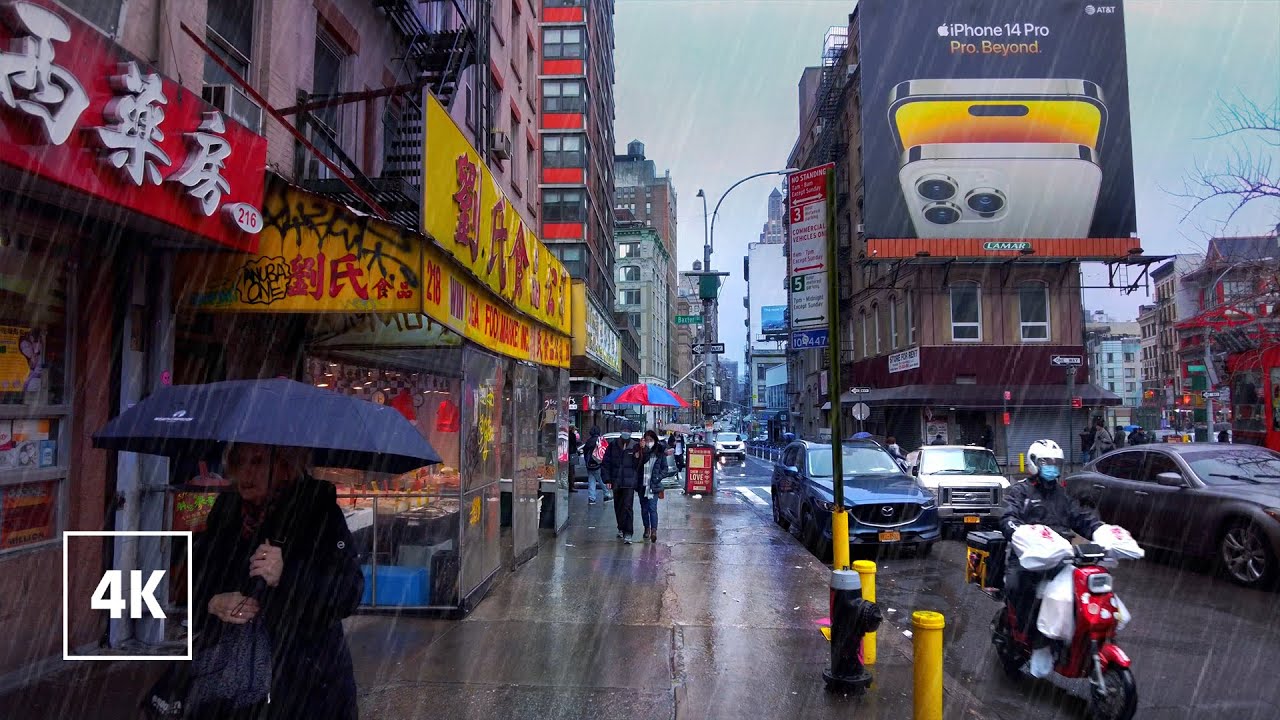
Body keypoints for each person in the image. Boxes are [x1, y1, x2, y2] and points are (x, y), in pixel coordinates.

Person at [191, 443, 363, 719]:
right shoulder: (227, 509)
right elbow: (198, 577)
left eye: (258, 462)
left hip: (306, 679)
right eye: (239, 462)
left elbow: (348, 592)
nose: (245, 473)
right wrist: (212, 602)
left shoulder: (318, 511)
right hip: (235, 678)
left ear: (285, 466)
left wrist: (287, 574)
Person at [1000, 439, 1103, 671]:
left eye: (1056, 463)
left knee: (1083, 592)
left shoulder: (1062, 494)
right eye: (1047, 462)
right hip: (1028, 560)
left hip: (1061, 558)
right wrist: (1021, 531)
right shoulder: (1020, 491)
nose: (1052, 467)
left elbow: (1080, 517)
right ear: (1034, 463)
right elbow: (1008, 517)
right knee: (1026, 589)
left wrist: (1101, 531)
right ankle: (1034, 641)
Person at [603, 432, 643, 543]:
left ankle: (628, 533)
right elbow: (606, 463)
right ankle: (621, 527)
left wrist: (638, 456)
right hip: (616, 481)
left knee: (628, 507)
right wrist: (607, 479)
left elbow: (639, 464)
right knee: (618, 506)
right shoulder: (613, 445)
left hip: (629, 482)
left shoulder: (635, 446)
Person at [638, 430, 668, 542]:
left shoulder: (659, 452)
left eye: (651, 440)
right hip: (642, 485)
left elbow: (665, 468)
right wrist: (641, 450)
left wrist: (657, 478)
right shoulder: (641, 451)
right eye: (647, 440)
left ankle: (654, 530)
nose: (649, 442)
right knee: (644, 509)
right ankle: (647, 528)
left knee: (652, 508)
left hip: (653, 485)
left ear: (655, 441)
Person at [583, 427, 605, 504]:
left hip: (589, 464)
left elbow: (585, 451)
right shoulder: (601, 440)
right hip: (598, 463)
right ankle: (606, 493)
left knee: (591, 480)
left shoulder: (588, 441)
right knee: (600, 479)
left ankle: (592, 498)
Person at [567, 425, 581, 492]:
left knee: (570, 471)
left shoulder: (568, 435)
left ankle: (570, 486)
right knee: (572, 471)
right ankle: (571, 486)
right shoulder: (572, 435)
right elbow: (575, 445)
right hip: (571, 454)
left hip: (568, 454)